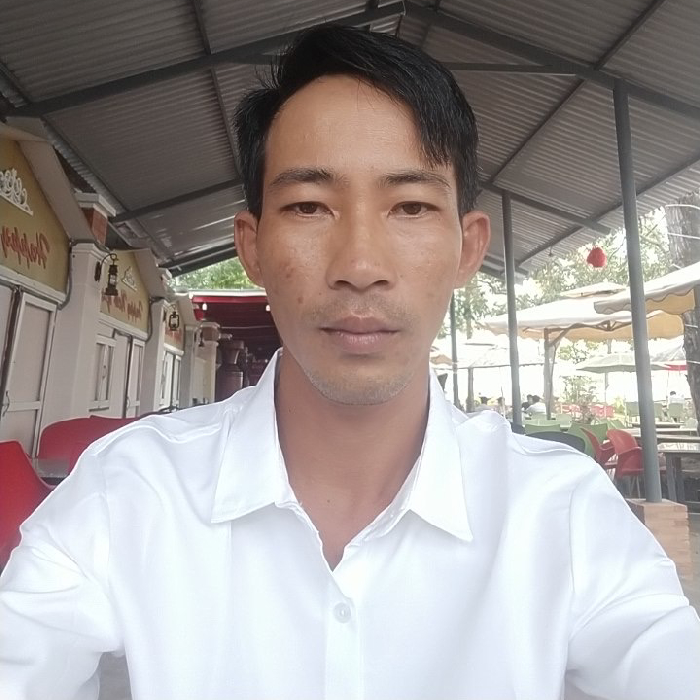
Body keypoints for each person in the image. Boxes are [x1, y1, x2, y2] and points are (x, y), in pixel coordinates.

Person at [1, 24, 698, 700]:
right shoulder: (132, 488)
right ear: (251, 247)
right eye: (309, 206)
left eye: (411, 206)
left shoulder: (561, 512)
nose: (360, 266)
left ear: (467, 248)